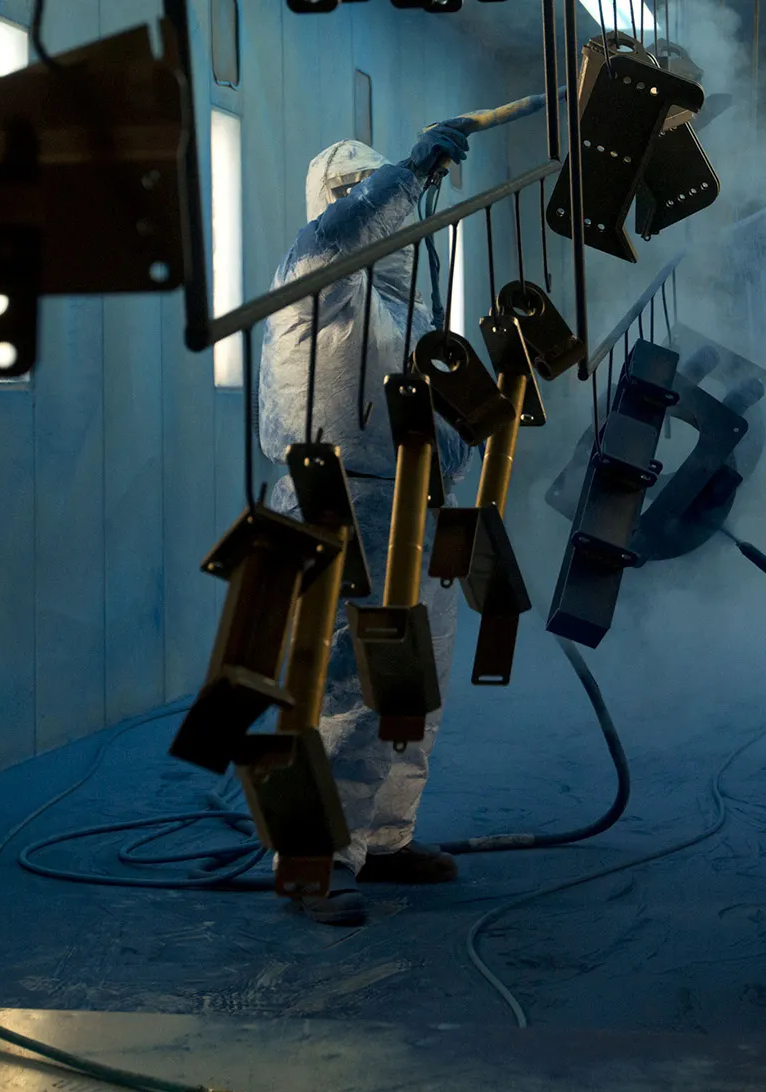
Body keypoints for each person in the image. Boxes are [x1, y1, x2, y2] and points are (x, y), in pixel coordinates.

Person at [257, 122, 476, 926]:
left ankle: (382, 836)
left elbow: (433, 408)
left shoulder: (406, 300)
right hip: (332, 497)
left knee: (414, 685)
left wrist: (457, 453)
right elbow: (335, 242)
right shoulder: (319, 276)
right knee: (334, 686)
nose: (374, 208)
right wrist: (410, 176)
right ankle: (311, 858)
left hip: (411, 501)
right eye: (359, 195)